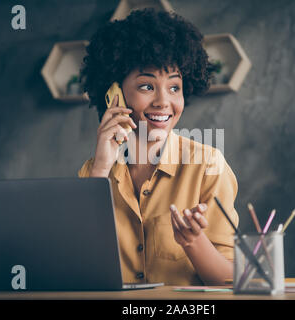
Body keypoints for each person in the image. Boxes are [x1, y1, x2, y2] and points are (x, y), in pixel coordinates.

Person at [78, 8, 239, 286]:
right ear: (114, 94)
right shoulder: (92, 172)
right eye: (146, 86)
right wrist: (102, 168)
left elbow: (230, 280)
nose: (164, 102)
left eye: (174, 87)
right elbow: (74, 264)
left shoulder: (208, 166)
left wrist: (193, 241)